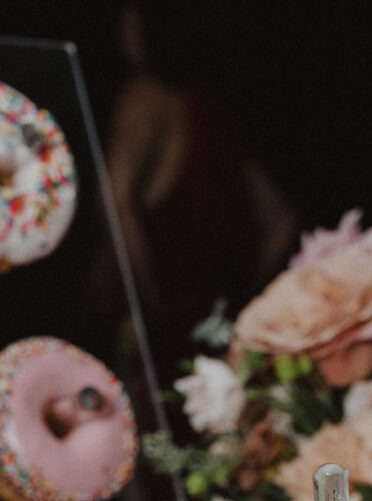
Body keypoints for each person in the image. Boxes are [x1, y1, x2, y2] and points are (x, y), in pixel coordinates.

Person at [102, 2, 297, 381]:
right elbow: (282, 219)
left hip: (165, 332)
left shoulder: (148, 98)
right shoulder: (213, 111)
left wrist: (146, 300)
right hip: (218, 329)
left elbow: (115, 201)